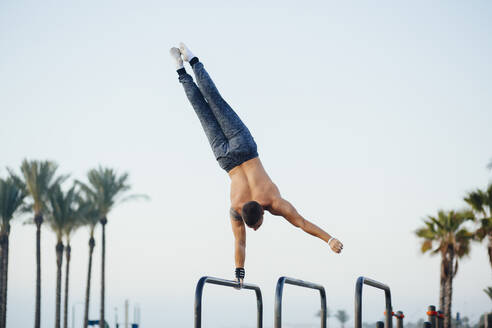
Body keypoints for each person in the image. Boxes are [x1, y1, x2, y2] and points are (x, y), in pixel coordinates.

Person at [170, 43, 343, 286]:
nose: (254, 230)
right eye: (256, 226)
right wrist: (328, 239)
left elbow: (244, 241)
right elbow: (298, 224)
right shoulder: (257, 205)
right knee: (206, 107)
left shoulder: (268, 203)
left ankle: (190, 62)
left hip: (241, 151)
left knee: (211, 104)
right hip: (227, 158)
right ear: (260, 213)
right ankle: (183, 66)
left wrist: (330, 239)